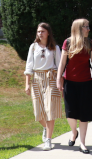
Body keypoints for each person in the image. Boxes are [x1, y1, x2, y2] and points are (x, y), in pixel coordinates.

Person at [57, 19, 92, 154]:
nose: (89, 29)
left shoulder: (89, 43)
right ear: (79, 28)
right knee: (70, 113)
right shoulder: (68, 42)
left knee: (84, 114)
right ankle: (74, 131)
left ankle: (82, 143)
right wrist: (59, 79)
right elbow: (62, 62)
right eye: (86, 27)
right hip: (70, 82)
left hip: (86, 82)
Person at [24, 23, 63, 151]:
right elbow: (29, 66)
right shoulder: (33, 47)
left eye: (42, 31)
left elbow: (60, 66)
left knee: (50, 110)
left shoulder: (55, 48)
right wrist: (27, 84)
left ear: (48, 33)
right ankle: (46, 128)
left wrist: (60, 83)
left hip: (51, 78)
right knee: (38, 112)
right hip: (36, 79)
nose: (40, 33)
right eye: (38, 31)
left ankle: (48, 139)